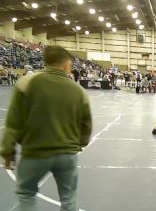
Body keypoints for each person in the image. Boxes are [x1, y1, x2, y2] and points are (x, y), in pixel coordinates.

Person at [1, 46, 93, 211]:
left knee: (26, 194)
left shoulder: (26, 83)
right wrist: (79, 144)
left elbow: (13, 122)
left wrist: (8, 152)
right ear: (66, 65)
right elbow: (86, 125)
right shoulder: (79, 91)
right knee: (68, 199)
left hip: (35, 153)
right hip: (67, 155)